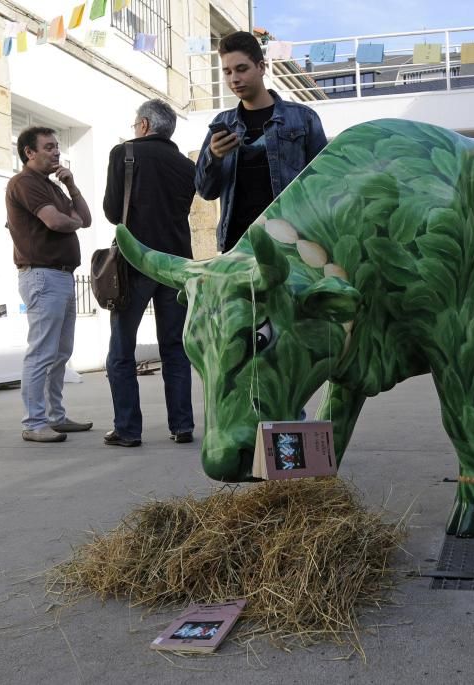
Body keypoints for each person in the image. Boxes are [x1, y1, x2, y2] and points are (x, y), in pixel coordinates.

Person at [102, 99, 197, 448]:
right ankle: (182, 425)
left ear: (143, 125)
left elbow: (113, 211)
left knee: (121, 349)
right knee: (175, 347)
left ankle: (127, 429)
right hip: (176, 266)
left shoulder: (124, 153)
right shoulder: (187, 166)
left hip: (135, 262)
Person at [195, 30, 327, 253]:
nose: (234, 79)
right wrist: (214, 157)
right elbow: (205, 191)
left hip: (291, 244)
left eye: (241, 69)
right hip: (236, 247)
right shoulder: (222, 122)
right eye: (227, 72)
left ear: (261, 67)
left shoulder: (303, 119)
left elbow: (323, 185)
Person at [6, 127, 93, 442]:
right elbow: (56, 222)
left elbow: (85, 217)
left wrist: (71, 186)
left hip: (62, 276)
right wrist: (73, 222)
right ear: (30, 152)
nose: (57, 152)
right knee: (42, 352)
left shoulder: (52, 186)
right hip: (42, 275)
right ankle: (34, 422)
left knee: (60, 352)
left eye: (57, 146)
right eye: (49, 147)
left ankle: (55, 416)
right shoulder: (25, 183)